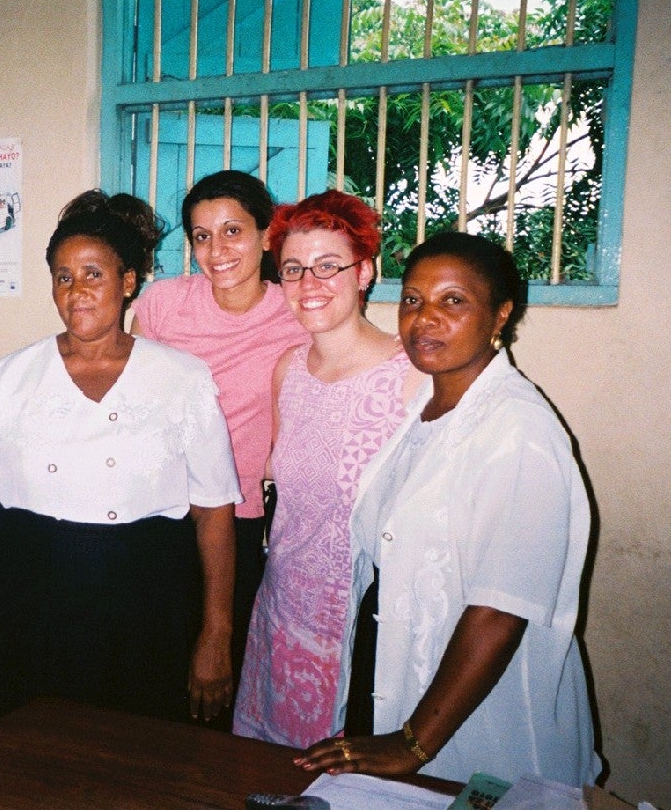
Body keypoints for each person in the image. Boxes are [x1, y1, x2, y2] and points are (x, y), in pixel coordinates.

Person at [296, 232, 601, 786]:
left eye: (453, 301)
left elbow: (498, 610)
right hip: (399, 684)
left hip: (473, 719)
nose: (424, 318)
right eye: (413, 300)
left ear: (500, 315)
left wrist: (413, 743)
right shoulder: (428, 409)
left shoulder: (518, 431)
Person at [0, 190, 240, 729]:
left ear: (127, 283)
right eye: (62, 276)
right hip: (27, 597)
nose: (76, 291)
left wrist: (216, 633)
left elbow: (214, 514)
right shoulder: (6, 382)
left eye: (93, 274)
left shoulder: (183, 381)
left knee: (135, 761)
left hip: (147, 601)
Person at [233, 190, 424, 749]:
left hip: (364, 626)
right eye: (293, 269)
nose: (308, 283)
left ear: (365, 272)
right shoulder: (287, 369)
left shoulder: (411, 375)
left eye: (328, 266)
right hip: (282, 611)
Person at [130, 170, 309, 697]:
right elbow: (132, 401)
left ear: (265, 235)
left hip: (236, 518)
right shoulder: (164, 304)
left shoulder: (296, 312)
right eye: (202, 236)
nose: (217, 249)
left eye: (233, 230)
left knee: (220, 667)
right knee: (152, 665)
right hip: (156, 509)